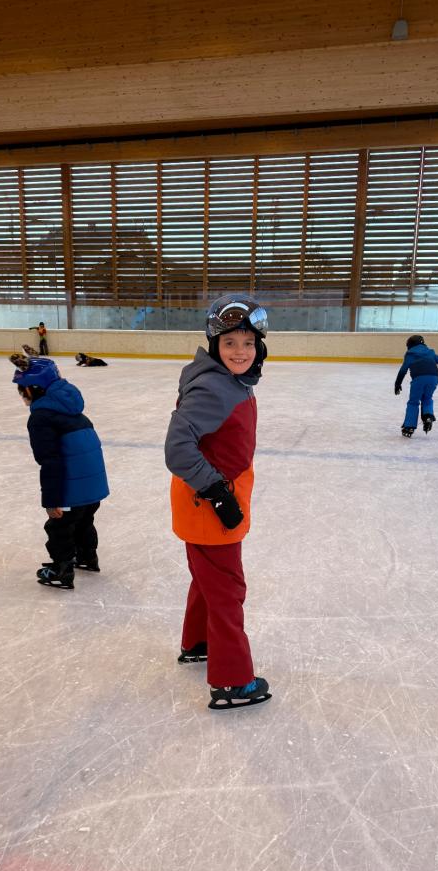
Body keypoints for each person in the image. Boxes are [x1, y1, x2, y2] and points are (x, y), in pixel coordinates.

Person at [164, 293, 272, 711]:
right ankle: (232, 680)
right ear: (214, 344)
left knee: (207, 579)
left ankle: (197, 642)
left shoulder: (228, 381)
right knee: (227, 590)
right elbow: (178, 449)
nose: (240, 351)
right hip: (210, 505)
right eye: (229, 343)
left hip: (205, 501)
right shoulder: (215, 388)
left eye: (247, 343)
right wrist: (218, 494)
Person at [10, 355, 109, 589]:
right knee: (84, 521)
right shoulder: (71, 409)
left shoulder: (41, 418)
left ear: (34, 389)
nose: (21, 395)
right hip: (93, 485)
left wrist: (52, 500)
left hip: (72, 486)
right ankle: (87, 557)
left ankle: (62, 571)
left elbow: (50, 462)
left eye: (21, 389)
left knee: (59, 527)